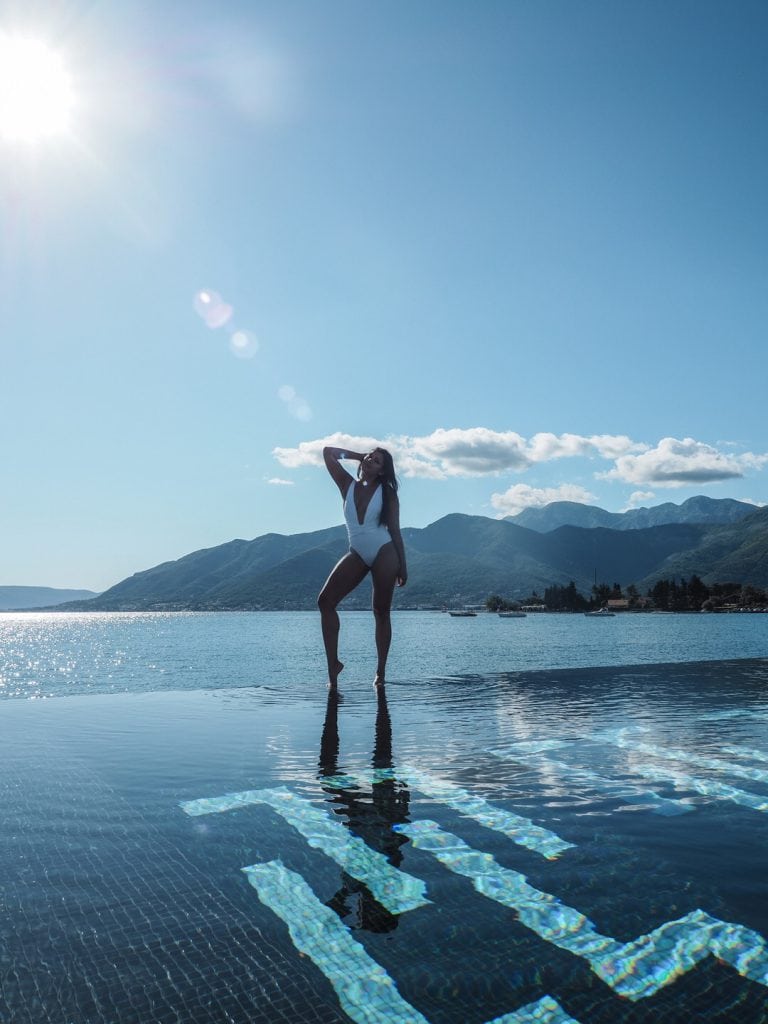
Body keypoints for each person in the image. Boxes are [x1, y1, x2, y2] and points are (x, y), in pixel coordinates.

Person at [318, 445, 407, 688]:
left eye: (376, 461)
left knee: (381, 611)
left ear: (382, 471)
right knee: (325, 602)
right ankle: (333, 665)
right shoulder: (346, 484)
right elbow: (327, 452)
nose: (370, 460)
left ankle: (380, 672)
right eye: (369, 456)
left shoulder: (387, 493)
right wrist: (360, 457)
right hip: (357, 552)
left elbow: (395, 530)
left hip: (385, 551)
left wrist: (403, 566)